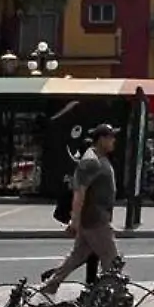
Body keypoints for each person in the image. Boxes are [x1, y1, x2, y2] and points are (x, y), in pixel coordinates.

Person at [41, 123, 123, 296]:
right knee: (112, 260)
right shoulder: (91, 161)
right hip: (95, 220)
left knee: (77, 257)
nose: (114, 140)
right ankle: (114, 296)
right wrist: (75, 219)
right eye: (111, 137)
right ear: (101, 139)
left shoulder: (99, 157)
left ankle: (50, 286)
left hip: (94, 218)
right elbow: (80, 192)